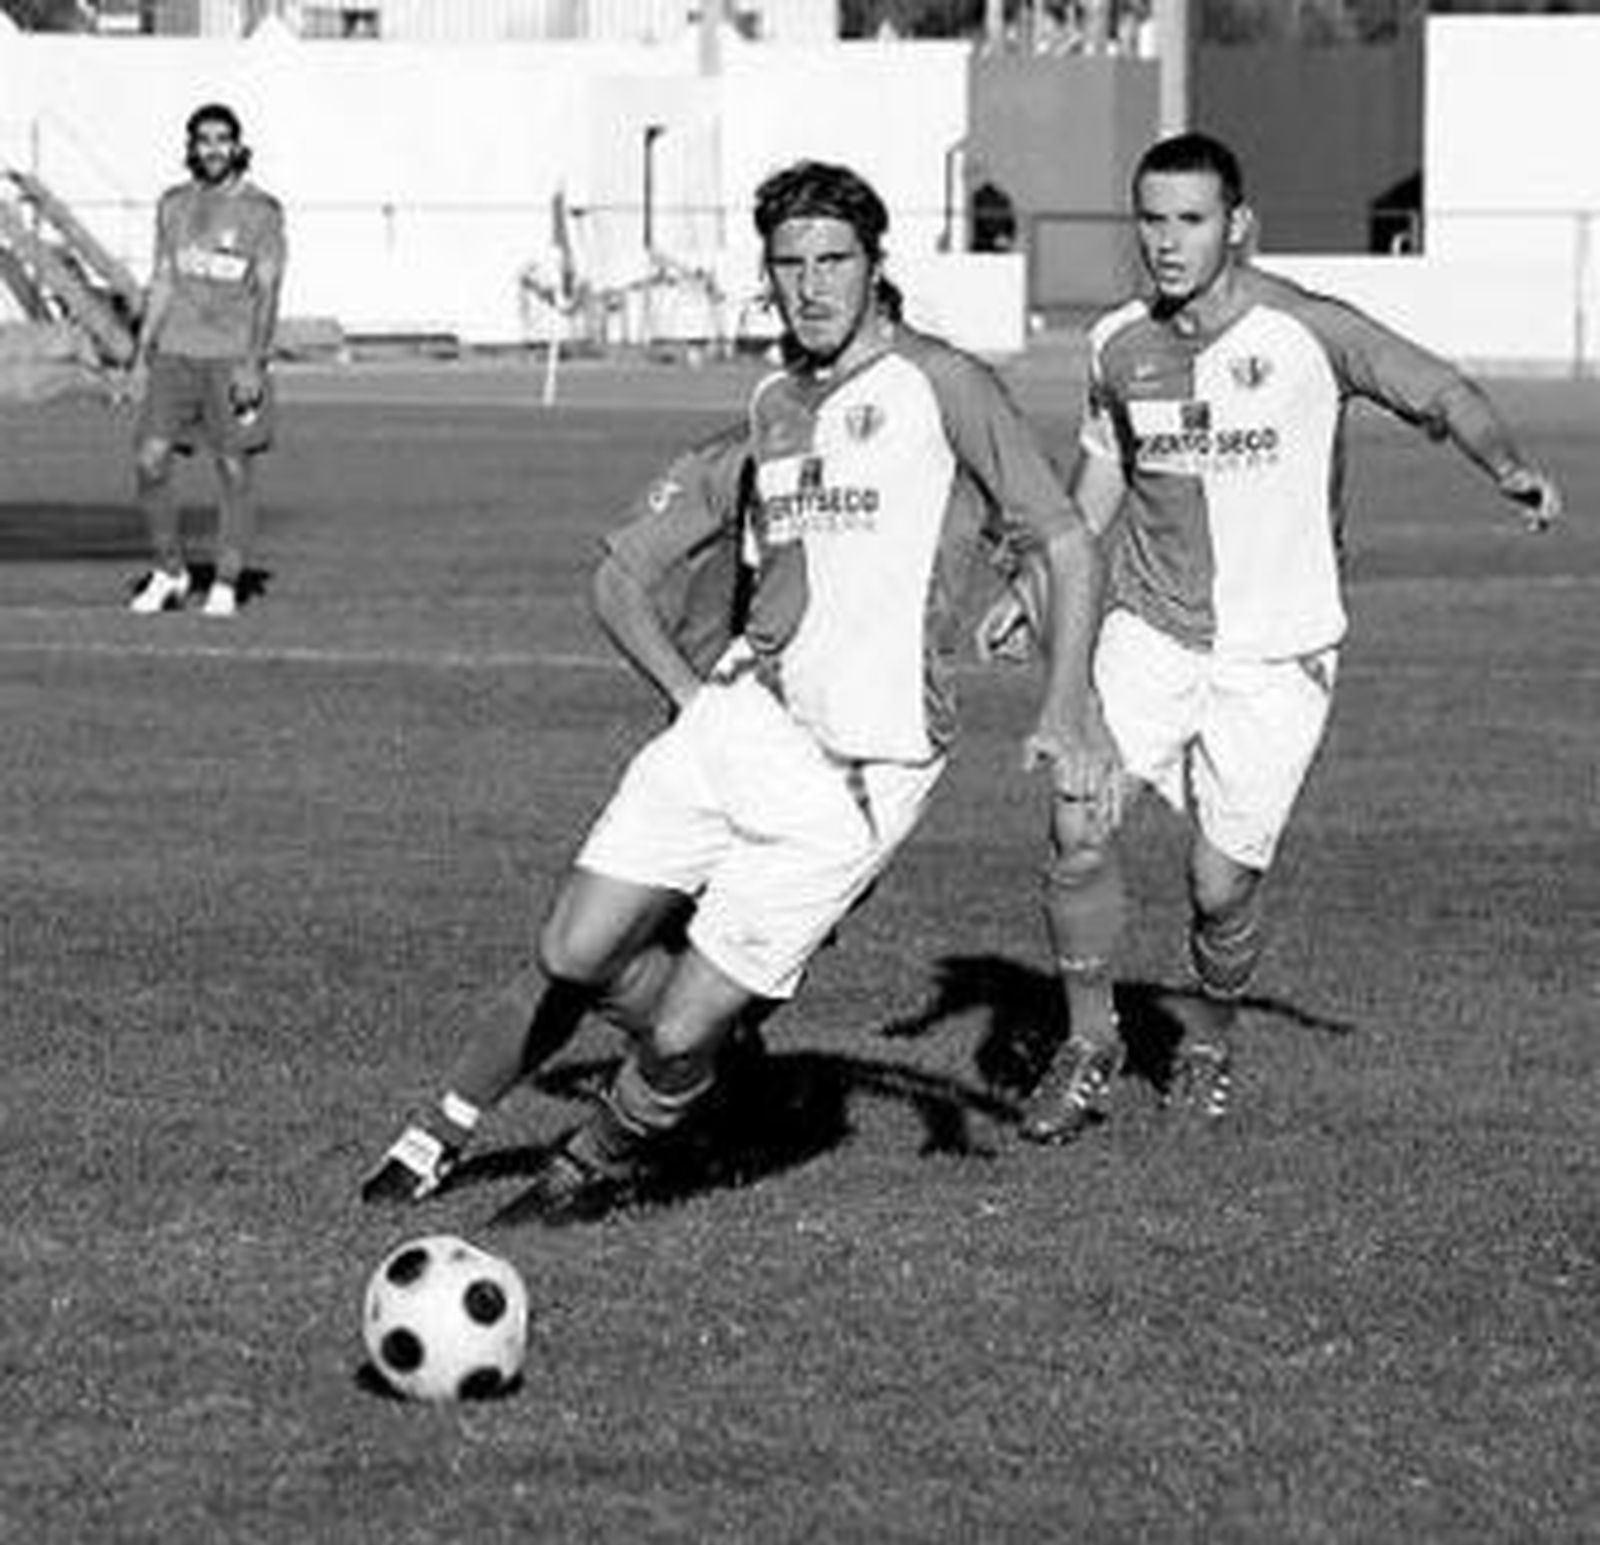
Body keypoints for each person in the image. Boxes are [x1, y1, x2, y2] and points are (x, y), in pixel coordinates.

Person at [362, 158, 1117, 1223]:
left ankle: (581, 1172)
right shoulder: (771, 403)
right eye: (789, 265)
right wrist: (694, 691)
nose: (811, 285)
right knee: (573, 950)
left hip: (858, 772)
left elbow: (1066, 543)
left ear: (874, 266)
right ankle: (660, 1089)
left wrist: (1066, 707)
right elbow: (742, 571)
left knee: (675, 1033)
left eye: (833, 262)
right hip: (736, 718)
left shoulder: (942, 382)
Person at [978, 131, 1563, 1144]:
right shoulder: (1118, 342)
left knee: (1220, 886)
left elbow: (1443, 389)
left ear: (1237, 225)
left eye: (1189, 220)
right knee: (1077, 810)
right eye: (1151, 220)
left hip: (1277, 649)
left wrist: (1503, 464)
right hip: (1150, 627)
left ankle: (1207, 1037)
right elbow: (1103, 475)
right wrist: (1039, 586)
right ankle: (1089, 1042)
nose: (1165, 242)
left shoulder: (1307, 329)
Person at [125, 103, 287, 618]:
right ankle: (170, 571)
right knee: (149, 460)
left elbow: (268, 291)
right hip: (175, 354)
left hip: (230, 360)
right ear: (191, 147)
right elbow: (164, 279)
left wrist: (253, 364)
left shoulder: (262, 211)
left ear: (237, 146)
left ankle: (226, 579)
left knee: (233, 468)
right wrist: (140, 354)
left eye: (222, 139)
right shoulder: (173, 205)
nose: (212, 149)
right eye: (203, 140)